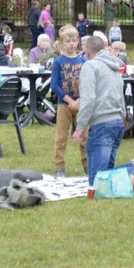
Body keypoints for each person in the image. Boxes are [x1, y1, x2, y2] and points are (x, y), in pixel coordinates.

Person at [71, 36, 127, 186]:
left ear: (87, 51)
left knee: (97, 182)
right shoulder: (114, 67)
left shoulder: (90, 66)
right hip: (117, 124)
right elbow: (121, 97)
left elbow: (88, 99)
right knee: (107, 178)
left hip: (102, 125)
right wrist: (120, 118)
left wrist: (80, 127)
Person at [51, 25, 88, 178]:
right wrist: (69, 100)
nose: (71, 44)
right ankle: (59, 167)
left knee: (85, 137)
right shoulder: (58, 62)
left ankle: (87, 164)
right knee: (61, 137)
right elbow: (54, 85)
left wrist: (78, 100)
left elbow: (87, 84)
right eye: (68, 41)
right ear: (61, 42)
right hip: (63, 104)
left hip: (81, 104)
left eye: (74, 40)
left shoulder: (83, 61)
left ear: (78, 41)